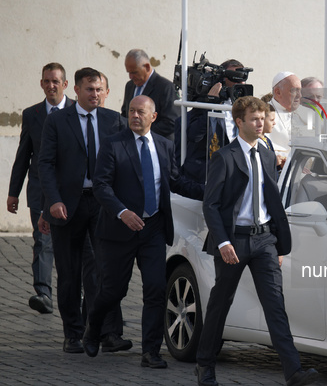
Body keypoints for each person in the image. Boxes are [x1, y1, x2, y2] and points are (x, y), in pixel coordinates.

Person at [195, 96, 318, 386]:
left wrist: (278, 243)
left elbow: (271, 199)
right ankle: (205, 365)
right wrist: (223, 242)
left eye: (262, 118)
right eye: (254, 119)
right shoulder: (224, 157)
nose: (261, 123)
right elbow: (210, 205)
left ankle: (293, 372)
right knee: (220, 303)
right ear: (239, 122)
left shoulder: (265, 153)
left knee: (275, 303)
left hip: (264, 240)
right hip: (233, 241)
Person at [82, 95, 204, 368]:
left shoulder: (164, 145)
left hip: (153, 229)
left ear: (154, 116)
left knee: (156, 290)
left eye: (141, 112)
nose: (135, 116)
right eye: (131, 112)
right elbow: (101, 186)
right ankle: (93, 327)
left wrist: (210, 193)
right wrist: (122, 212)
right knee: (113, 291)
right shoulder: (114, 145)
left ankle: (151, 352)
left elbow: (175, 181)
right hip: (118, 230)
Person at [38, 67, 131, 354]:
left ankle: (109, 332)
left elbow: (125, 165)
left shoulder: (114, 121)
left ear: (106, 92)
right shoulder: (57, 121)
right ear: (76, 90)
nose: (95, 94)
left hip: (103, 204)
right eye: (89, 89)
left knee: (107, 270)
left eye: (99, 89)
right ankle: (73, 334)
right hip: (67, 206)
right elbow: (46, 164)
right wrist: (52, 202)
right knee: (69, 273)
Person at [7, 62, 74, 314]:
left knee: (71, 243)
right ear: (41, 84)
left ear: (65, 84)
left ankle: (75, 291)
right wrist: (13, 192)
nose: (51, 85)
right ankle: (43, 293)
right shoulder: (32, 114)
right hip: (39, 191)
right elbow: (23, 156)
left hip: (70, 192)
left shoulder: (77, 111)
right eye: (46, 81)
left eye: (56, 81)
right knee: (42, 241)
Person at [174, 59, 247, 184]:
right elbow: (194, 135)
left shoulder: (244, 107)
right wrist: (211, 104)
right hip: (208, 176)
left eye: (242, 78)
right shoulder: (204, 105)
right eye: (234, 78)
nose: (240, 82)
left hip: (235, 175)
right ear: (222, 79)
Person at [121, 49, 179, 140]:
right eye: (129, 72)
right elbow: (125, 114)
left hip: (157, 145)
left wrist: (142, 132)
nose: (130, 77)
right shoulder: (130, 86)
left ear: (147, 67)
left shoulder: (165, 87)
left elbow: (172, 121)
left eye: (134, 72)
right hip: (132, 144)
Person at [269, 72, 301, 155]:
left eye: (300, 91)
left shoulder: (304, 112)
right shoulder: (263, 113)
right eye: (294, 90)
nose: (299, 95)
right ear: (278, 92)